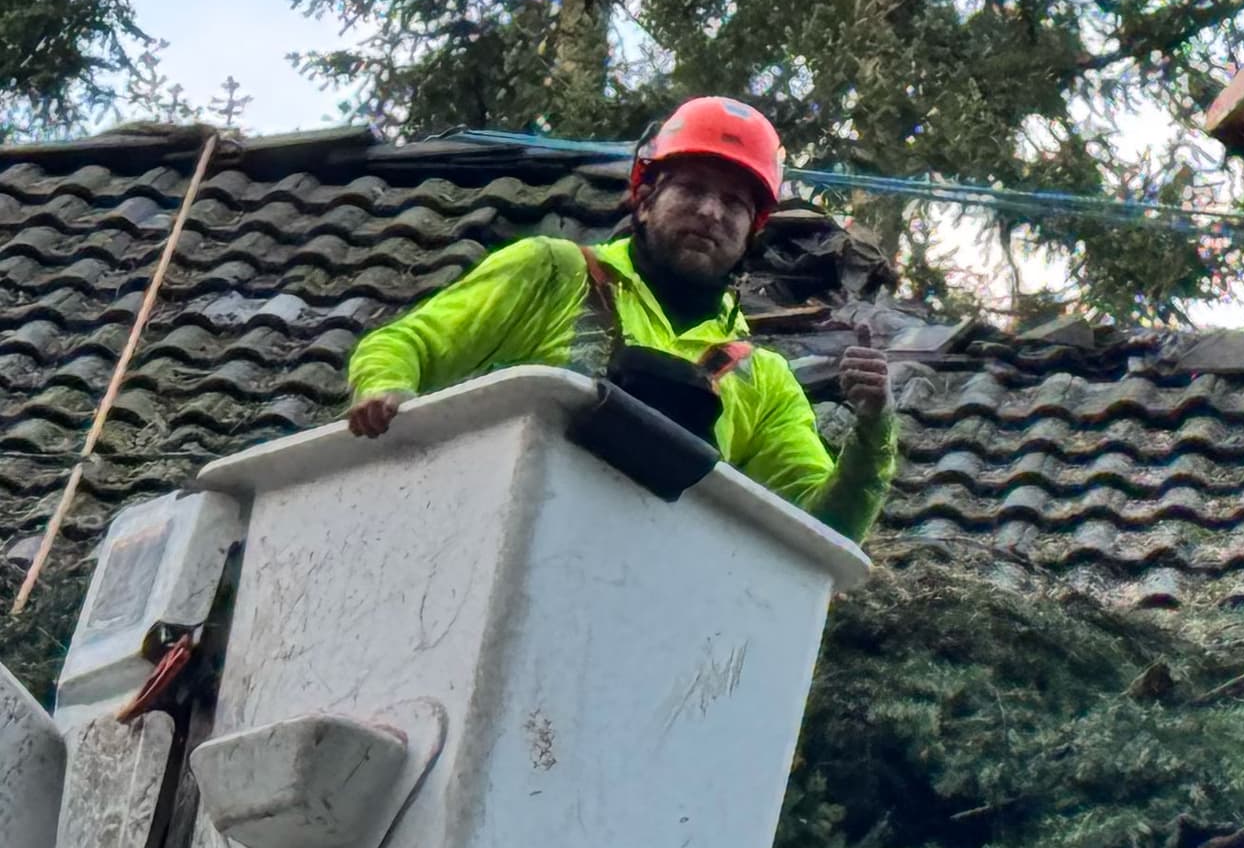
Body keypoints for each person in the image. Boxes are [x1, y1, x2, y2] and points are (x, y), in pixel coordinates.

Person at [343, 96, 899, 539]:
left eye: (735, 203)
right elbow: (410, 342)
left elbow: (819, 528)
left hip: (632, 602)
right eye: (692, 187)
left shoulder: (763, 380)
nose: (710, 211)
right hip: (494, 542)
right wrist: (388, 386)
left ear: (752, 230)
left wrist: (874, 428)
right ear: (645, 197)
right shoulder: (553, 271)